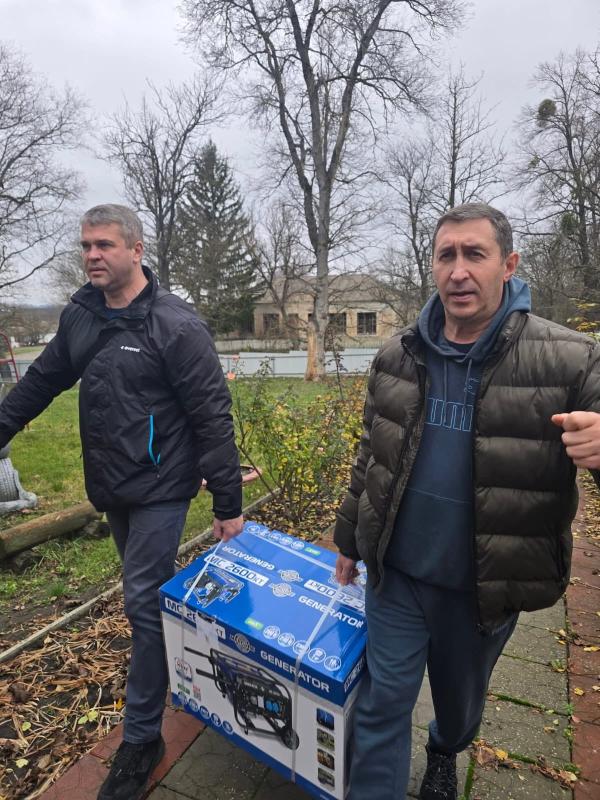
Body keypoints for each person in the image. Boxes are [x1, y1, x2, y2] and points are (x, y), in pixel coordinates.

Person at [334, 202, 600, 800]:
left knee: (459, 707)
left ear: (508, 265)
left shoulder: (569, 360)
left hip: (482, 585)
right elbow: (371, 456)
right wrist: (350, 536)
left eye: (474, 254)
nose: (458, 271)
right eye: (445, 255)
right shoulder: (398, 356)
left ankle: (445, 750)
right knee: (379, 710)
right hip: (397, 575)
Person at [0, 204, 244, 800]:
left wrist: (228, 504)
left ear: (136, 250)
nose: (92, 255)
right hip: (113, 487)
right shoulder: (82, 315)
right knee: (151, 601)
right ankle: (173, 671)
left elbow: (212, 414)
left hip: (163, 487)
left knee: (140, 602)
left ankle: (142, 739)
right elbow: (41, 380)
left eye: (104, 245)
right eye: (85, 245)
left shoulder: (174, 325)